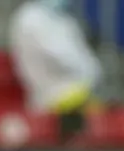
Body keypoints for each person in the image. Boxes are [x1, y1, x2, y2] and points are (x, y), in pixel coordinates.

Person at [9, 0, 103, 142]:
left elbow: (87, 61)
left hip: (78, 92)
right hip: (49, 96)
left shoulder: (63, 19)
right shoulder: (29, 18)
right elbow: (60, 57)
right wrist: (86, 72)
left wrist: (90, 73)